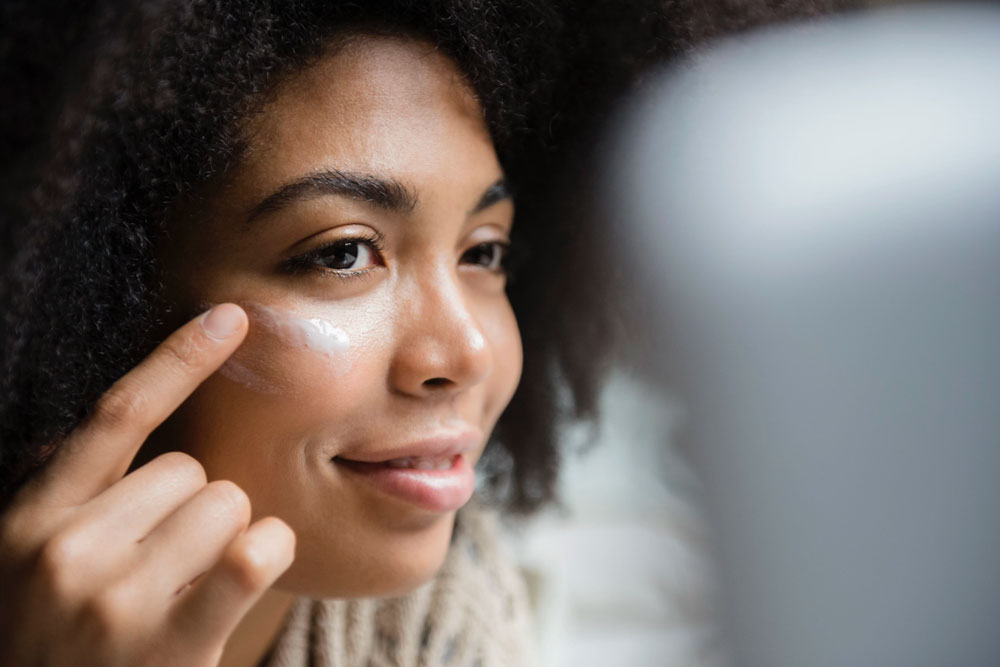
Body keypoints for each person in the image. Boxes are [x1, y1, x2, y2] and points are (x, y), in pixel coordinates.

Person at [0, 1, 847, 665]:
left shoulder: (449, 615)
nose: (467, 352)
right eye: (342, 254)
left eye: (485, 252)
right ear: (94, 305)